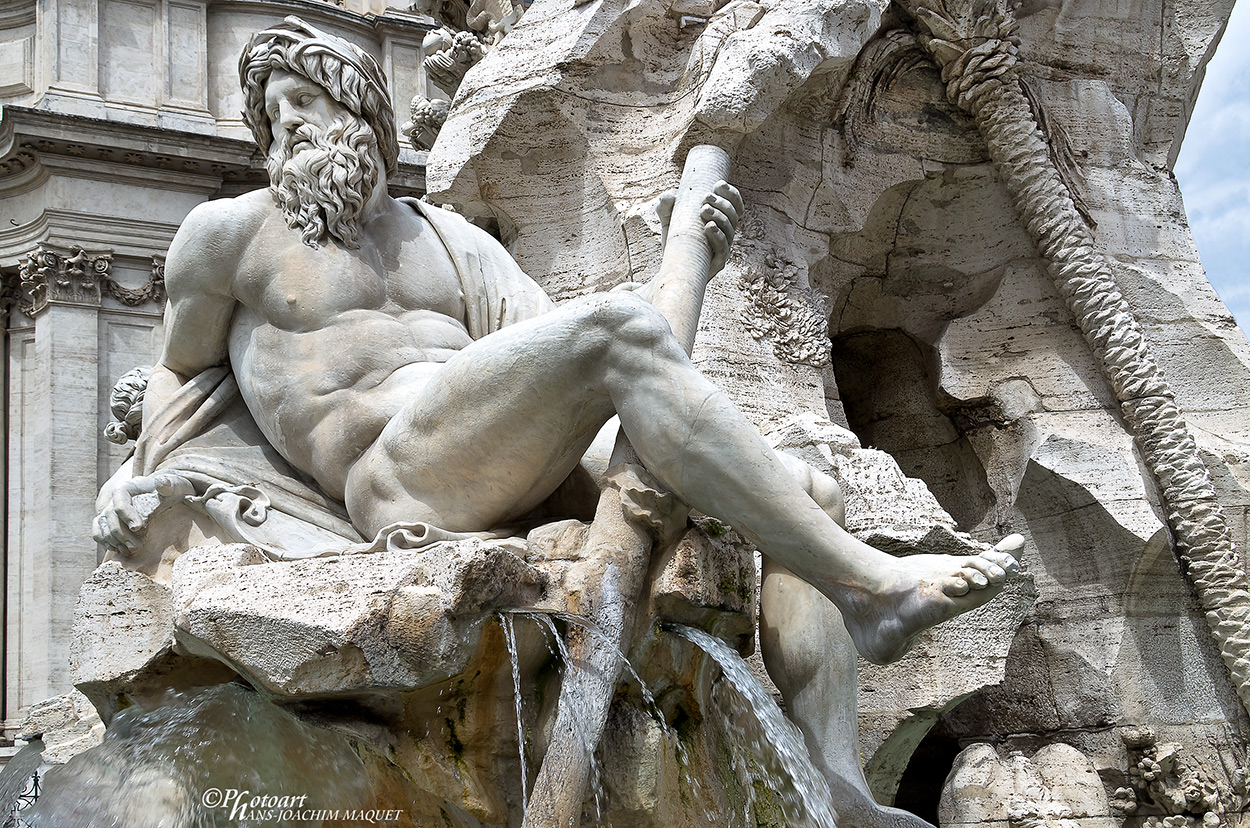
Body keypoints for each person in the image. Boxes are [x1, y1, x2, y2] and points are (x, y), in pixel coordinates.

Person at [94, 17, 1018, 667]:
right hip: (390, 473)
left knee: (800, 484)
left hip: (496, 452)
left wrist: (690, 253)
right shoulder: (230, 235)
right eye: (271, 116)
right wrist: (144, 491)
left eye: (305, 101)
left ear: (363, 116)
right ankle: (870, 586)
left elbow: (616, 361)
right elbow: (183, 382)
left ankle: (840, 781)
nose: (286, 124)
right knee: (616, 328)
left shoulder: (453, 242)